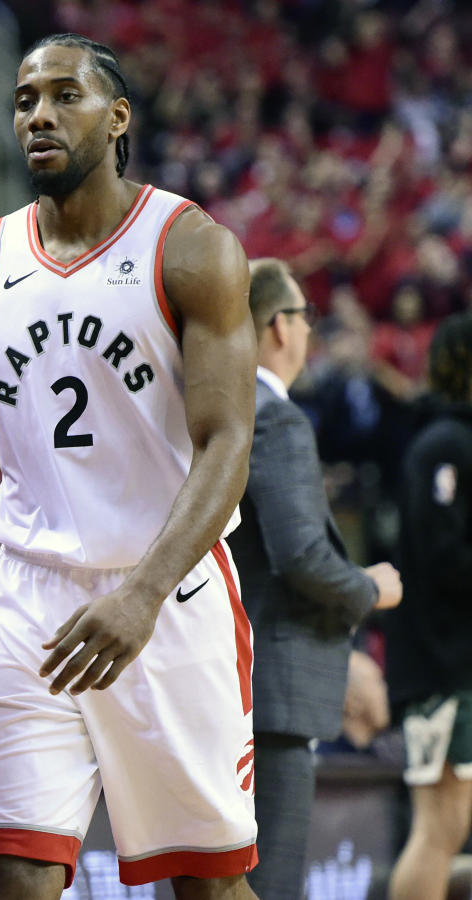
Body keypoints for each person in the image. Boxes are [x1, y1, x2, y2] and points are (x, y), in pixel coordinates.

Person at [0, 34, 261, 899]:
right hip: (27, 598)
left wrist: (142, 593)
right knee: (15, 876)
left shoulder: (191, 247)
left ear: (117, 116)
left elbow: (228, 445)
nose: (38, 115)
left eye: (64, 95)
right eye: (24, 100)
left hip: (168, 594)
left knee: (206, 886)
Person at [226, 258, 402, 900]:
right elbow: (301, 556)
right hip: (271, 692)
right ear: (279, 325)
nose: (307, 330)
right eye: (304, 316)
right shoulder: (275, 417)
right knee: (269, 884)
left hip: (223, 683)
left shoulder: (215, 411)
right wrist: (369, 588)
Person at [385, 312, 472, 900]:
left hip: (456, 666)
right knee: (439, 827)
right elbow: (444, 562)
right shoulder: (443, 444)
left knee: (451, 828)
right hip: (441, 668)